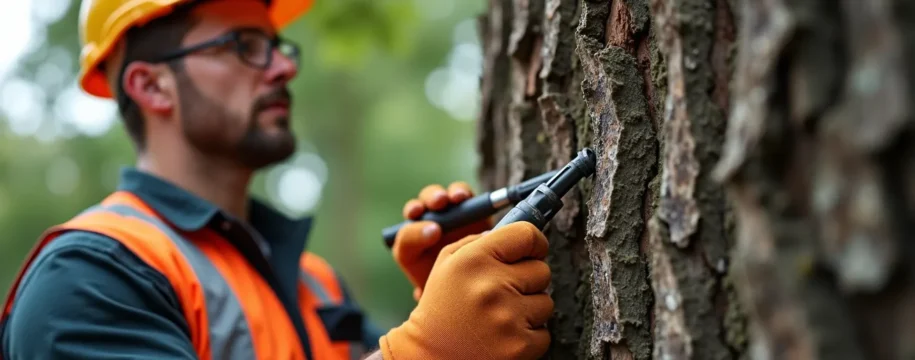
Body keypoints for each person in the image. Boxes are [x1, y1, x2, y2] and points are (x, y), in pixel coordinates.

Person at [0, 0, 555, 359]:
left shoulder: (314, 282)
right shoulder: (88, 278)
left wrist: (448, 307)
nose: (285, 67)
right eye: (243, 46)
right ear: (151, 87)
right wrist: (427, 352)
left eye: (276, 46)